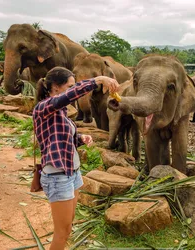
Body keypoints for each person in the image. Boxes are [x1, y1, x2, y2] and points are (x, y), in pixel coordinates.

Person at [33, 66, 119, 250]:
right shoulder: (44, 108)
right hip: (58, 176)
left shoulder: (62, 112)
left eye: (74, 86)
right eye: (70, 86)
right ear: (56, 87)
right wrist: (98, 80)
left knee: (68, 227)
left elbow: (57, 139)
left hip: (72, 173)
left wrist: (79, 138)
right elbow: (69, 95)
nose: (74, 91)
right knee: (62, 233)